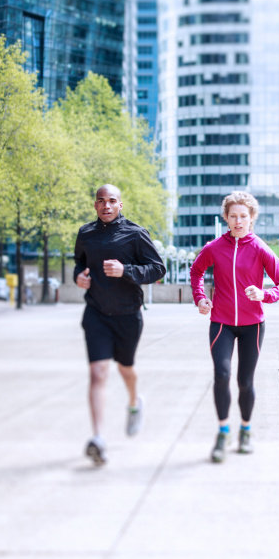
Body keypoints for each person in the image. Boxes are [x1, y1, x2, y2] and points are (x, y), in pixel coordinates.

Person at [190, 191, 279, 463]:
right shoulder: (214, 247)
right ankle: (223, 431)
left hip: (253, 326)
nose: (238, 221)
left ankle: (245, 429)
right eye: (233, 216)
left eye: (243, 217)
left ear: (252, 219)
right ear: (225, 218)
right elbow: (196, 271)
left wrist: (265, 294)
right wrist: (200, 298)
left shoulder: (260, 248)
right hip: (222, 323)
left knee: (244, 382)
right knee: (222, 375)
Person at [74, 184, 166, 465]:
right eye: (101, 201)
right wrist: (80, 277)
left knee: (126, 369)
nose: (106, 206)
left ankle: (134, 402)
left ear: (120, 205)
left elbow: (158, 268)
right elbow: (79, 264)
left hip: (128, 314)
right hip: (96, 313)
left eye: (112, 201)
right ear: (95, 205)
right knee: (98, 372)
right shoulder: (85, 234)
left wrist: (126, 270)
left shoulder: (135, 234)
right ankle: (98, 438)